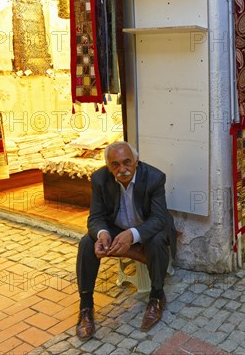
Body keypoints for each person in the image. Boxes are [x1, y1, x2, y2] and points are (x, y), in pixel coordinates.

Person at [75, 141, 177, 340]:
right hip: (117, 228)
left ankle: (156, 296)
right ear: (108, 166)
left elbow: (159, 218)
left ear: (136, 161)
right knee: (86, 243)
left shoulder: (155, 178)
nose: (122, 169)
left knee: (156, 241)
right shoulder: (99, 178)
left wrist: (133, 234)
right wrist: (102, 233)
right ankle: (86, 306)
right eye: (115, 165)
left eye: (127, 162)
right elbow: (95, 217)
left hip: (147, 227)